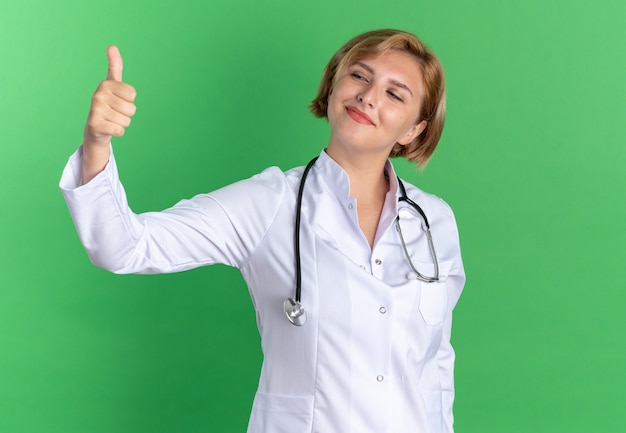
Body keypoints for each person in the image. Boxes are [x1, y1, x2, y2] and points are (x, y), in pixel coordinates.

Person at [60, 29, 465, 433]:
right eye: (359, 75)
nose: (369, 96)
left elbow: (435, 371)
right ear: (333, 85)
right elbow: (125, 247)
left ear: (414, 130)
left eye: (395, 94)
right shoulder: (270, 203)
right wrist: (96, 143)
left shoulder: (435, 222)